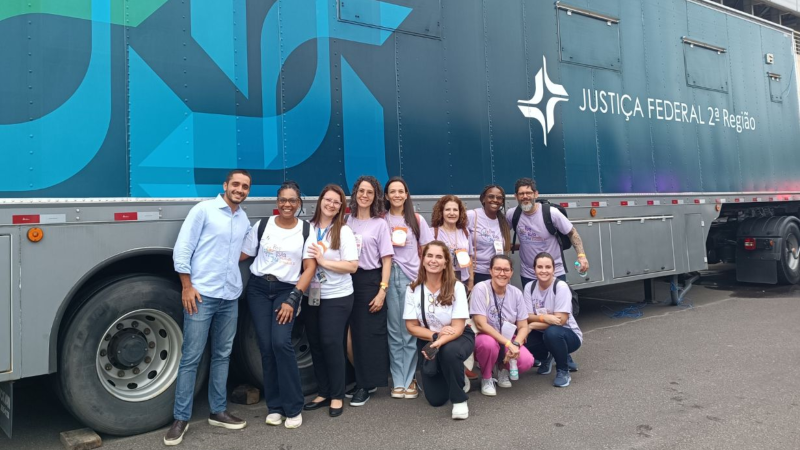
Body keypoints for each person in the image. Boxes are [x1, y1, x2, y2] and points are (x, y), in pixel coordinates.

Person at [166, 170, 252, 446]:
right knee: (191, 357)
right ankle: (181, 418)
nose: (240, 189)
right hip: (201, 295)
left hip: (230, 296)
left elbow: (245, 250)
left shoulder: (243, 218)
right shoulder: (203, 210)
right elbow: (183, 248)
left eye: (245, 186)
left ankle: (218, 411)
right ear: (225, 185)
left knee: (222, 355)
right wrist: (187, 286)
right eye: (236, 184)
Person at [240, 181, 316, 429]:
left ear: (299, 203)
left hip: (286, 290)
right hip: (259, 289)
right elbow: (242, 254)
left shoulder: (306, 230)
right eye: (283, 200)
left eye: (292, 200)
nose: (287, 204)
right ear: (277, 201)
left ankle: (293, 407)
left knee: (281, 343)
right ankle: (274, 407)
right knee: (265, 346)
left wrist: (294, 298)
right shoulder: (263, 225)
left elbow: (310, 268)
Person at [302, 185, 359, 417]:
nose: (331, 204)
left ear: (340, 207)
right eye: (328, 199)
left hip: (337, 296)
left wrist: (324, 262)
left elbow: (352, 266)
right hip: (311, 295)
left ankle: (337, 395)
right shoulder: (307, 228)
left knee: (331, 343)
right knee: (315, 343)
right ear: (320, 200)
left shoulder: (343, 231)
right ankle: (324, 391)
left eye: (336, 202)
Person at [404, 241, 474, 420]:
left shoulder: (456, 286)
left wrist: (438, 342)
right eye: (429, 256)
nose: (433, 260)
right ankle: (454, 372)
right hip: (429, 337)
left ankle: (459, 400)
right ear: (423, 259)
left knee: (449, 351)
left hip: (457, 337)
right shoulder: (413, 288)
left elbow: (458, 327)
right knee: (436, 400)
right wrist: (435, 336)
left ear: (445, 263)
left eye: (439, 257)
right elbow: (411, 327)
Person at [383, 177, 434, 399]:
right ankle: (398, 380)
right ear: (386, 196)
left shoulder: (416, 219)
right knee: (394, 331)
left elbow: (429, 251)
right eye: (392, 191)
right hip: (388, 277)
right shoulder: (381, 220)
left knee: (409, 330)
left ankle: (411, 378)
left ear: (406, 195)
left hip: (411, 279)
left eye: (400, 191)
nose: (396, 195)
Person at [345, 176, 393, 407]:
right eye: (361, 191)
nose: (364, 195)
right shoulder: (347, 221)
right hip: (347, 280)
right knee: (349, 335)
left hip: (370, 280)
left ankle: (365, 385)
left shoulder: (380, 224)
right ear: (355, 193)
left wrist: (382, 290)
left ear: (375, 197)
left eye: (370, 192)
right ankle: (361, 379)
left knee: (366, 335)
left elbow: (387, 259)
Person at [470, 255, 534, 396]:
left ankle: (502, 369)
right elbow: (481, 324)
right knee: (487, 344)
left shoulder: (516, 293)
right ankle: (487, 377)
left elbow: (523, 326)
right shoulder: (481, 288)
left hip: (508, 338)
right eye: (497, 269)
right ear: (490, 271)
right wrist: (508, 343)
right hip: (486, 337)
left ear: (511, 272)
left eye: (506, 270)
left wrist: (515, 344)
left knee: (527, 361)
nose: (502, 273)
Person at [507, 177, 589, 287]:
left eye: (528, 193)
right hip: (528, 274)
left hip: (554, 273)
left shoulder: (551, 213)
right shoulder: (512, 214)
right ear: (516, 196)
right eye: (521, 193)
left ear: (536, 194)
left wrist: (581, 256)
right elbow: (501, 233)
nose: (525, 196)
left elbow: (572, 233)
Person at [523, 252, 583, 388]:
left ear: (554, 269)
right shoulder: (529, 287)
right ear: (534, 269)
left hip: (568, 335)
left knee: (553, 332)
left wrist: (532, 326)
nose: (544, 271)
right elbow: (527, 316)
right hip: (543, 332)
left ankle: (563, 370)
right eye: (540, 267)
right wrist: (544, 317)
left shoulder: (560, 286)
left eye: (548, 267)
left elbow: (560, 321)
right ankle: (546, 356)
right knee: (521, 335)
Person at [466, 185, 511, 285]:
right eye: (491, 196)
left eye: (499, 198)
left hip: (496, 273)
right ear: (483, 199)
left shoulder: (502, 221)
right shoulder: (472, 215)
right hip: (475, 273)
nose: (495, 200)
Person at [430, 195, 474, 292]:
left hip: (463, 279)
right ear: (441, 212)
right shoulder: (433, 233)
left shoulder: (465, 232)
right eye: (447, 210)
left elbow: (470, 256)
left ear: (460, 212)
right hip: (441, 279)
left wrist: (471, 279)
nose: (452, 213)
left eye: (455, 210)